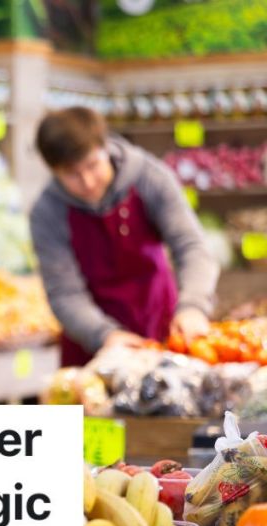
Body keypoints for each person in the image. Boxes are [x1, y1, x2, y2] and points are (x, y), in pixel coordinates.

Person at [29, 106, 220, 367]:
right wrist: (104, 335)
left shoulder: (149, 177)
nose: (87, 182)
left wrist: (193, 306)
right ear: (53, 171)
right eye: (72, 174)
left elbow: (191, 246)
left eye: (92, 165)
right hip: (94, 349)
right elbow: (64, 292)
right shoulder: (47, 212)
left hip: (164, 329)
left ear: (105, 147)